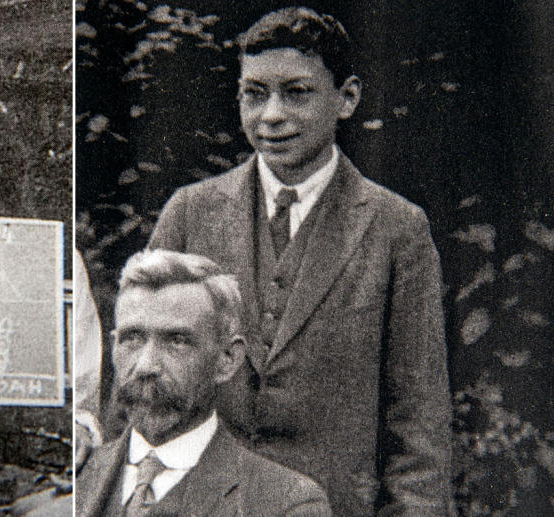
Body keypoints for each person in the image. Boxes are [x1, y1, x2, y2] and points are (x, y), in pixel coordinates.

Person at [147, 7, 451, 516]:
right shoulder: (190, 213)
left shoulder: (398, 229)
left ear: (346, 98)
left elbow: (418, 422)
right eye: (254, 93)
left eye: (297, 92)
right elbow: (144, 380)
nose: (271, 115)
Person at [77, 249, 331, 517]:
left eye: (177, 341)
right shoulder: (81, 474)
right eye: (132, 339)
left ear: (228, 359)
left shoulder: (287, 503)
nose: (145, 365)